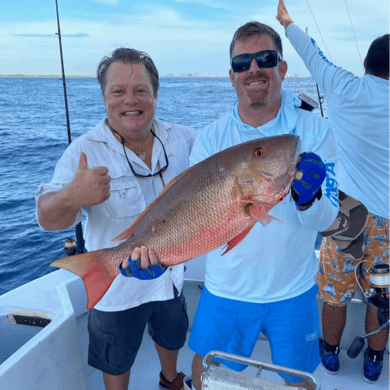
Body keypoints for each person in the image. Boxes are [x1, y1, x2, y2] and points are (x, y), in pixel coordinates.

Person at [188, 21, 339, 390]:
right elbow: (196, 219)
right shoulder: (210, 139)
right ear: (232, 75)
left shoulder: (315, 131)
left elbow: (328, 218)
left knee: (300, 377)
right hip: (227, 287)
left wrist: (309, 199)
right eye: (242, 63)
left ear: (282, 68)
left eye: (265, 58)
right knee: (207, 368)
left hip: (294, 288)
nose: (253, 68)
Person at [35, 48, 196, 390]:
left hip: (170, 276)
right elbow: (46, 217)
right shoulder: (84, 150)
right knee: (115, 357)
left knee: (172, 338)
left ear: (155, 94)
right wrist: (70, 196)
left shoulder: (184, 139)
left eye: (140, 90)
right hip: (115, 288)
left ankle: (172, 382)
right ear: (104, 97)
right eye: (117, 92)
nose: (130, 100)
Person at [277, 0, 390, 384]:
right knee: (382, 295)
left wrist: (287, 22)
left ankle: (329, 354)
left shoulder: (344, 86)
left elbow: (311, 53)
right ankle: (375, 359)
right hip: (389, 225)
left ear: (368, 65)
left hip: (347, 216)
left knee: (334, 293)